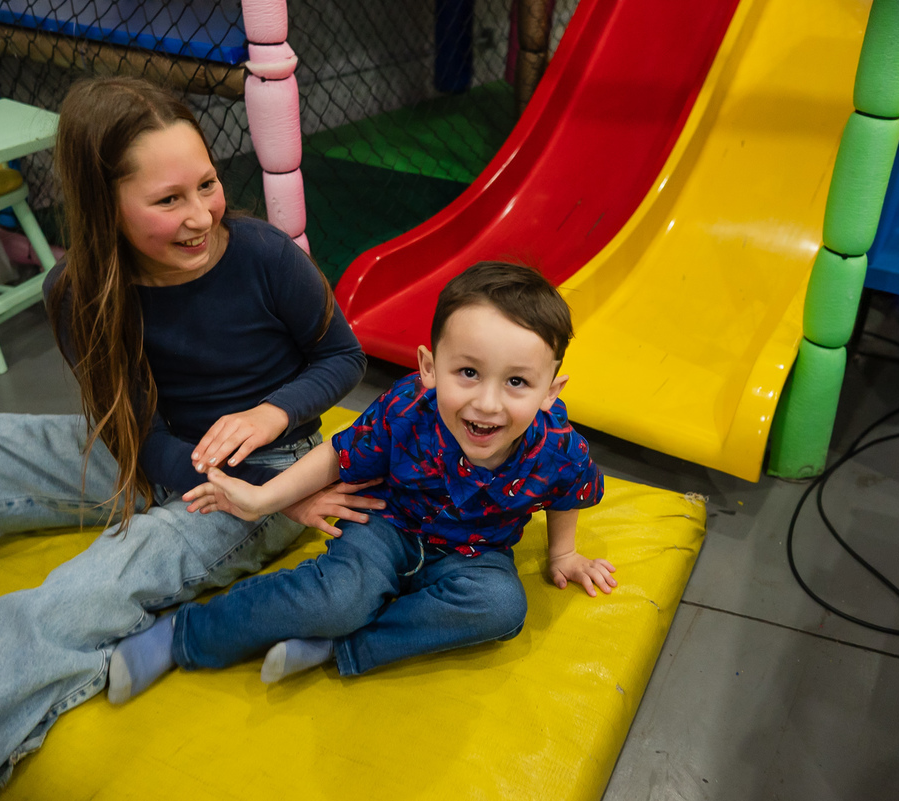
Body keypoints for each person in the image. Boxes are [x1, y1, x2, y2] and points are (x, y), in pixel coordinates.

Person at [0, 76, 376, 796]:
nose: (202, 215)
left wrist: (271, 424)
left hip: (266, 472)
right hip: (150, 450)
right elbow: (131, 433)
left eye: (206, 184)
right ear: (102, 204)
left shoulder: (263, 254)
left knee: (80, 590)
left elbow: (342, 356)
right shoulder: (77, 290)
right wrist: (183, 471)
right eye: (167, 200)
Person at [106, 261, 616, 701]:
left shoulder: (558, 445)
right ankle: (183, 636)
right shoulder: (406, 407)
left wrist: (562, 555)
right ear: (429, 367)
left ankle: (341, 646)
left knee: (502, 608)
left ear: (551, 392)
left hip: (475, 554)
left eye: (517, 382)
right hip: (385, 526)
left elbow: (568, 490)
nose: (487, 402)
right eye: (468, 373)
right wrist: (263, 497)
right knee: (339, 598)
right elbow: (338, 454)